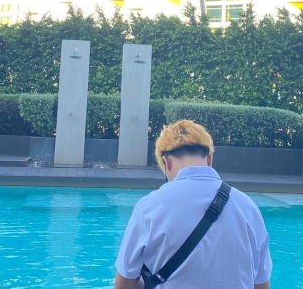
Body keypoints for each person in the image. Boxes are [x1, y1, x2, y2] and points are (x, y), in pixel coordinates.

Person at [114, 119, 272, 288]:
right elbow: (261, 284)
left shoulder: (148, 208)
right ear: (209, 159)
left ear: (166, 162)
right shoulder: (248, 208)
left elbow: (124, 285)